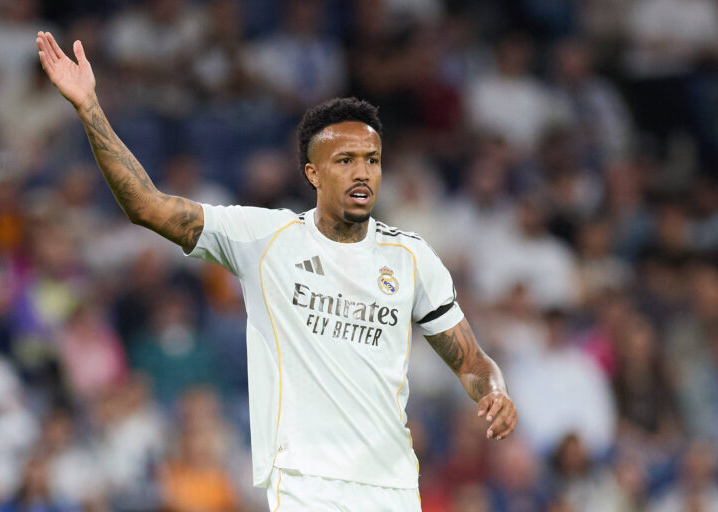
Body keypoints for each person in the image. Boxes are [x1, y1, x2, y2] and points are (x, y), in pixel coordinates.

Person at [36, 31, 518, 511]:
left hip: (392, 486)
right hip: (306, 485)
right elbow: (146, 206)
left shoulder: (412, 258)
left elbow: (471, 362)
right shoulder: (264, 238)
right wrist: (89, 107)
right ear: (313, 173)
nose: (362, 173)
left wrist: (494, 390)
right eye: (345, 160)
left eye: (372, 160)